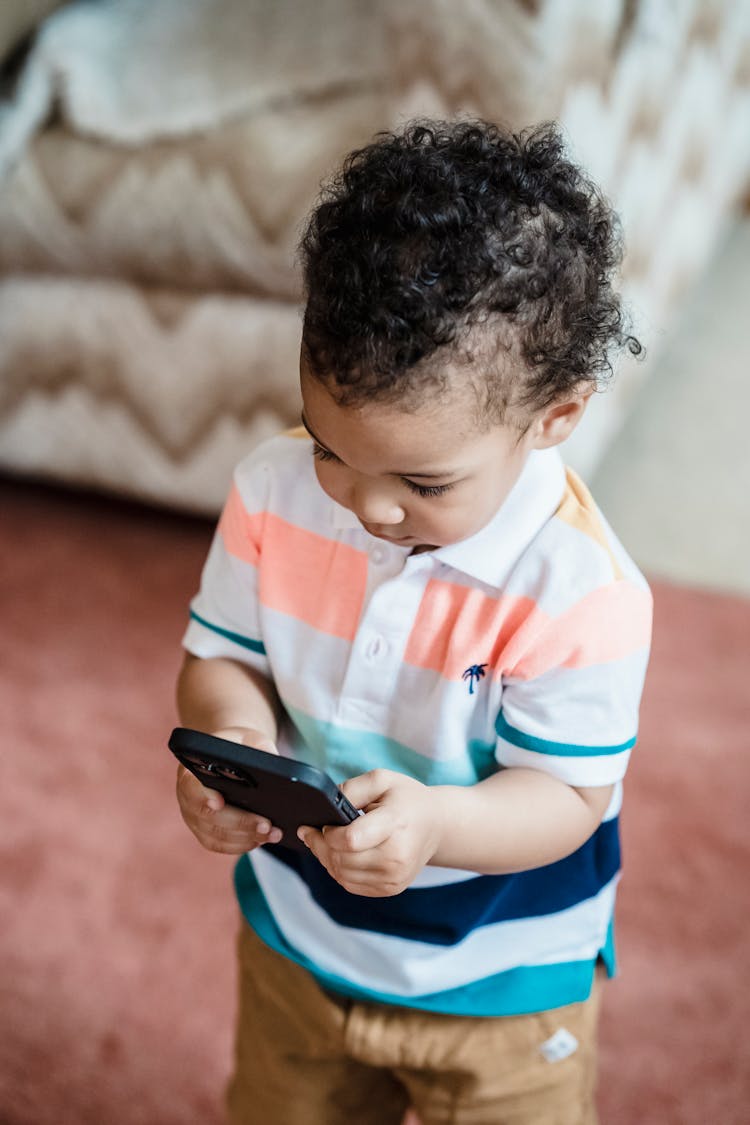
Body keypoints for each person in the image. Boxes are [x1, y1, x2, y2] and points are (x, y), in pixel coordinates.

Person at [175, 119, 652, 1125]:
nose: (368, 506)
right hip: (299, 937)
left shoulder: (580, 591)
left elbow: (567, 795)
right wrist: (233, 742)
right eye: (331, 448)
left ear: (555, 416)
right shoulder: (272, 492)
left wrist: (441, 825)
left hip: (501, 978)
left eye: (425, 481)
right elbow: (222, 658)